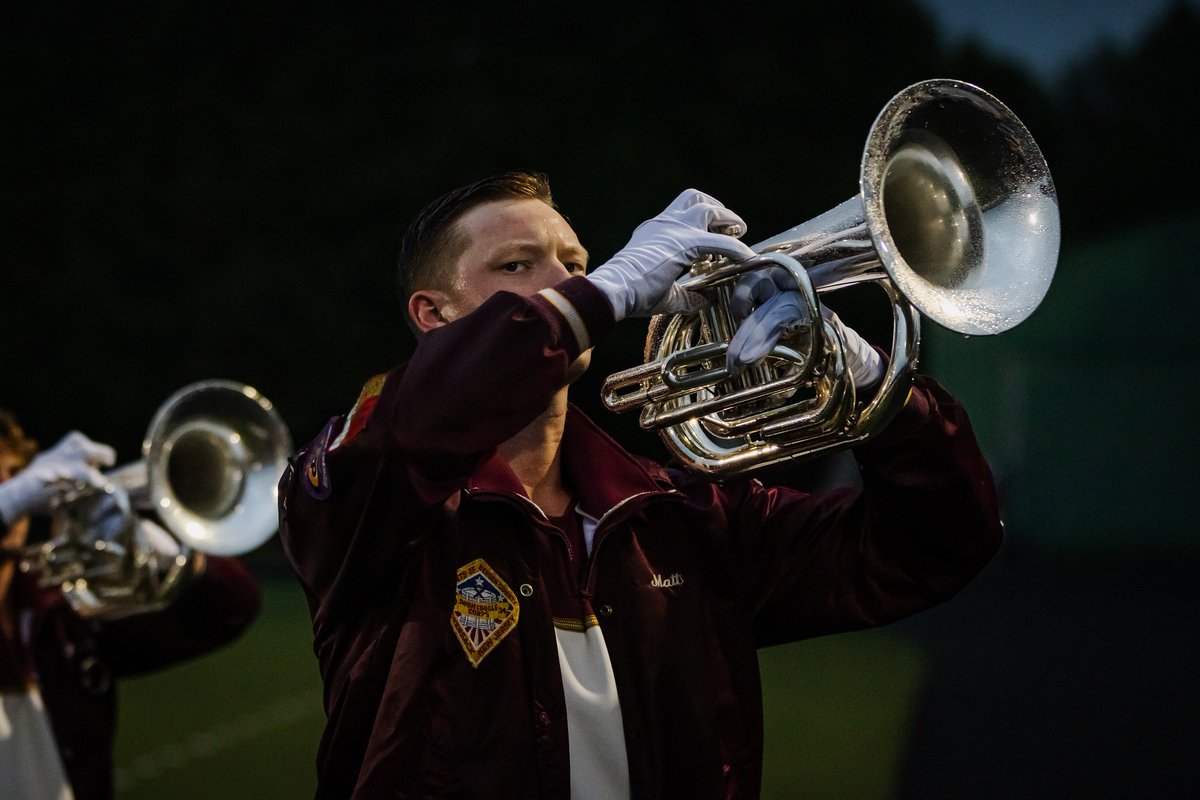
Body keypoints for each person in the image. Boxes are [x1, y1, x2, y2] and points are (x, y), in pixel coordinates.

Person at [278, 171, 1003, 799]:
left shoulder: (685, 517)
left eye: (576, 262)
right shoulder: (367, 499)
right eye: (517, 265)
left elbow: (935, 548)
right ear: (435, 316)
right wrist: (609, 287)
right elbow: (414, 422)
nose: (566, 283)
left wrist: (875, 387)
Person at [0, 411, 261, 800]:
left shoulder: (63, 606)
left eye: (15, 472)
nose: (11, 485)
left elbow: (232, 608)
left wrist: (169, 557)